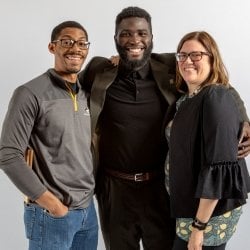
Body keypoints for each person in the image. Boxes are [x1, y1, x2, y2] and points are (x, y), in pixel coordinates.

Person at [79, 6, 250, 250]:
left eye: (142, 33)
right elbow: (66, 93)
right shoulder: (98, 70)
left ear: (151, 38)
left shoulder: (172, 64)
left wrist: (245, 121)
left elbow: (221, 85)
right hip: (114, 190)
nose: (134, 40)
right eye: (125, 34)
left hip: (160, 188)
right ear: (115, 39)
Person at [0, 21, 98, 250]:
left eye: (82, 43)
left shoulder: (87, 93)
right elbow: (8, 154)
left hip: (87, 213)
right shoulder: (29, 93)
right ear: (52, 47)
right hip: (52, 215)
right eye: (67, 42)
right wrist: (52, 205)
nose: (75, 48)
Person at [166, 31, 250, 250]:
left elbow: (219, 168)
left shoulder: (215, 97)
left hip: (207, 216)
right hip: (189, 207)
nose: (187, 61)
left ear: (212, 59)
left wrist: (198, 227)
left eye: (196, 55)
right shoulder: (186, 99)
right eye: (182, 56)